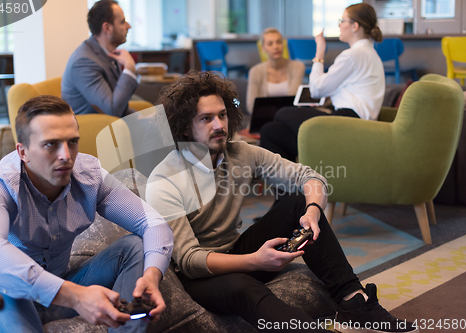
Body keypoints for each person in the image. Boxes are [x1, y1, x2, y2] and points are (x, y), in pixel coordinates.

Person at [145, 71, 417, 333]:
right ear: (183, 127)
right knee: (242, 287)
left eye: (222, 114)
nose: (219, 125)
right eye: (206, 119)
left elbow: (309, 177)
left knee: (298, 202)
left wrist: (312, 212)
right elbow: (190, 260)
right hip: (197, 277)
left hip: (234, 250)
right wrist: (254, 261)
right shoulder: (164, 180)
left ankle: (354, 301)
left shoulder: (241, 153)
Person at [0, 95, 174, 333]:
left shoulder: (90, 175)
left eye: (72, 142)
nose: (66, 155)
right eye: (51, 144)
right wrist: (76, 296)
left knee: (134, 246)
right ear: (22, 152)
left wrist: (152, 275)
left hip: (60, 289)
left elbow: (153, 223)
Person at [260, 3, 385, 162]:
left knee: (282, 113)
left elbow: (316, 90)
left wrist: (319, 51)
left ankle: (292, 181)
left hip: (349, 123)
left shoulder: (352, 56)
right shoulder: (370, 54)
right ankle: (292, 182)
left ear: (354, 26)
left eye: (342, 20)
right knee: (270, 131)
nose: (339, 25)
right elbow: (349, 91)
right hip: (355, 123)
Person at [62, 0, 139, 117]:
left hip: (114, 125)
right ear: (107, 28)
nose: (129, 26)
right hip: (95, 130)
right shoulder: (83, 62)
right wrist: (129, 68)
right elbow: (112, 111)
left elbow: (121, 105)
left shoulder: (107, 52)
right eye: (122, 22)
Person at [246, 28, 305, 114]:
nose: (275, 47)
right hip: (263, 117)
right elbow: (251, 105)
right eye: (270, 44)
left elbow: (293, 100)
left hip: (290, 115)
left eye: (279, 42)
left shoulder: (298, 67)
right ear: (263, 48)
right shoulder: (255, 71)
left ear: (283, 44)